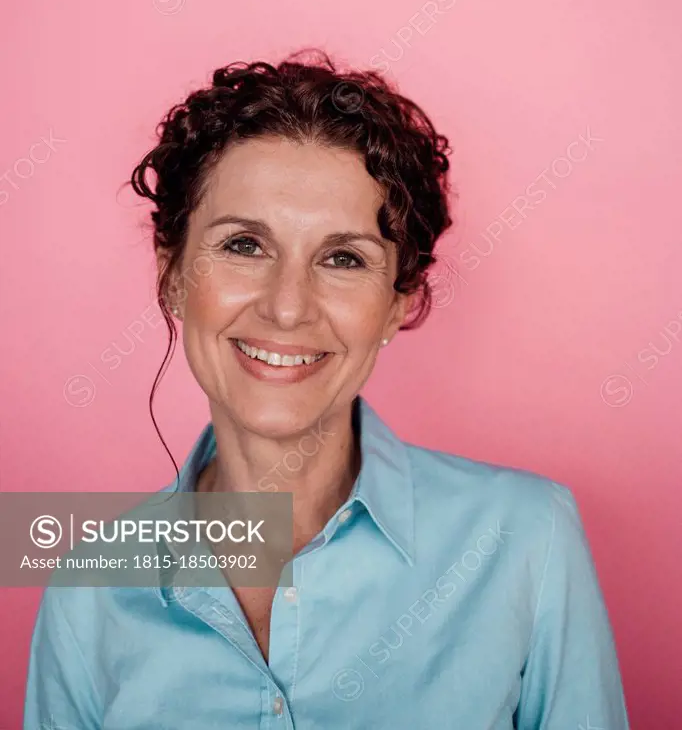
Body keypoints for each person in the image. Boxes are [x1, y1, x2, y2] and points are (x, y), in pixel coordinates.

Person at [24, 49, 630, 728]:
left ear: (399, 301)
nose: (288, 308)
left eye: (343, 259)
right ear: (171, 275)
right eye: (244, 246)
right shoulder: (90, 585)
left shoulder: (527, 538)